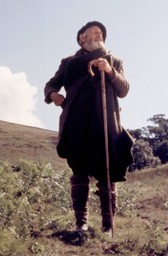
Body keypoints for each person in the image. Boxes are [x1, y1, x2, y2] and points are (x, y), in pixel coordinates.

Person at [44, 21, 132, 234]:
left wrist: (110, 71)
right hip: (77, 123)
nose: (98, 34)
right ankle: (80, 223)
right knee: (79, 170)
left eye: (101, 32)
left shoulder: (114, 61)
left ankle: (108, 225)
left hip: (106, 124)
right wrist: (53, 95)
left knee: (107, 172)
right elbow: (51, 84)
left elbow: (124, 89)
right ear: (82, 37)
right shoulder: (69, 63)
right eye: (93, 31)